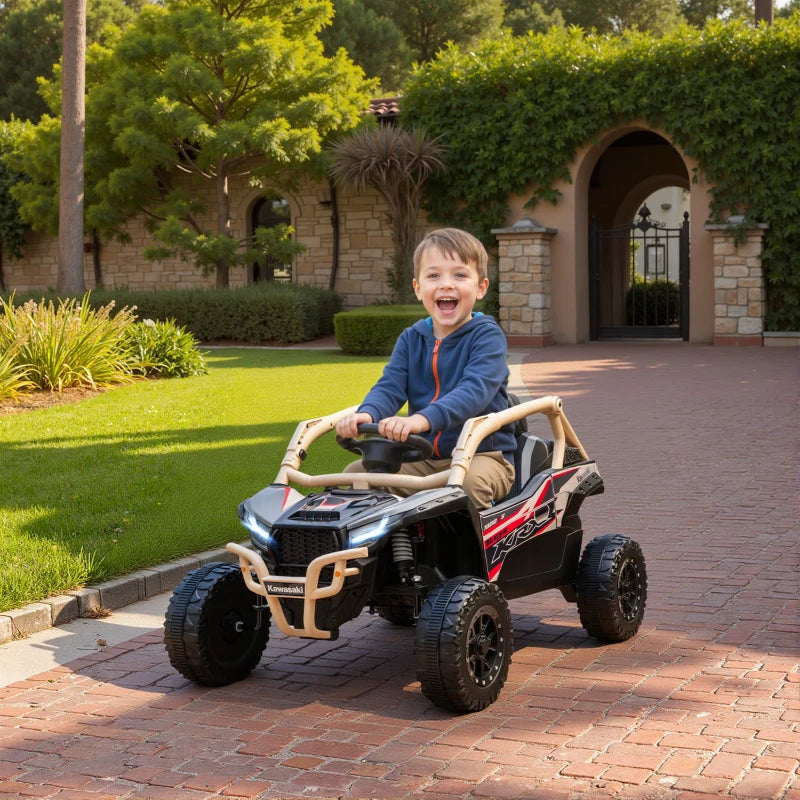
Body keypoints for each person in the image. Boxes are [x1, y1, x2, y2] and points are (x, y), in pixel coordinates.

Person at [336, 227, 516, 509]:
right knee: (353, 477)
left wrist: (418, 421)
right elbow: (390, 386)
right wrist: (366, 412)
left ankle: (471, 552)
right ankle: (368, 553)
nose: (446, 284)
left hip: (481, 456)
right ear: (418, 289)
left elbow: (473, 392)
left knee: (467, 486)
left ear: (480, 287)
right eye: (434, 275)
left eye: (459, 275)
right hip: (421, 458)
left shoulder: (487, 337)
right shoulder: (412, 338)